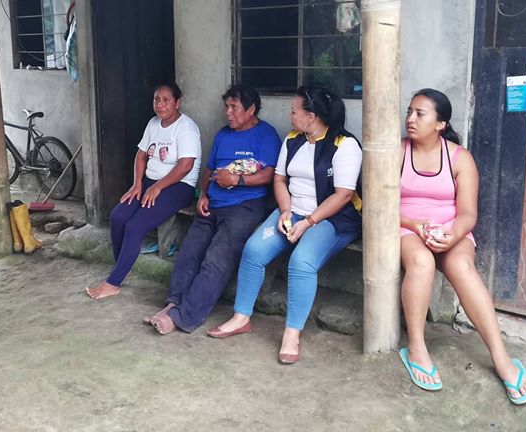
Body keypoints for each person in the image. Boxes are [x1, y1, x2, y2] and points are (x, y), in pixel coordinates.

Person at [398, 88, 526, 404]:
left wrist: (451, 234)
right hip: (405, 227)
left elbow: (468, 213)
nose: (411, 119)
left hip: (451, 230)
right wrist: (415, 225)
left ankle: (501, 358)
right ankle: (417, 347)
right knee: (421, 262)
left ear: (440, 124)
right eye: (409, 112)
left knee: (461, 266)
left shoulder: (460, 158)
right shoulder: (397, 152)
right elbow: (380, 205)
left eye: (420, 114)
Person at [207, 86, 362, 365]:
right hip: (293, 211)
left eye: (294, 111)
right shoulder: (293, 139)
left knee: (301, 262)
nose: (290, 116)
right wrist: (286, 210)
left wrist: (309, 222)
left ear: (311, 116)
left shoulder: (344, 144)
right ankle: (241, 317)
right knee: (254, 250)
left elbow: (343, 195)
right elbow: (279, 179)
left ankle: (292, 334)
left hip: (332, 218)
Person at [146, 85, 280, 335]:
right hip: (213, 205)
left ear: (251, 109)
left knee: (216, 260)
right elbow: (209, 169)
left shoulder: (266, 135)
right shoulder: (223, 135)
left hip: (244, 207)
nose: (228, 113)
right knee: (189, 252)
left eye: (234, 107)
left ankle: (186, 316)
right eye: (226, 107)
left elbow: (270, 174)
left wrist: (238, 180)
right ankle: (173, 303)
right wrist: (204, 194)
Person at [85, 83, 201, 300]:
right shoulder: (153, 123)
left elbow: (186, 166)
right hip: (150, 183)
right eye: (157, 100)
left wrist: (157, 187)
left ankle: (113, 283)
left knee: (135, 226)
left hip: (179, 187)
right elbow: (141, 156)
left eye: (166, 100)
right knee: (118, 217)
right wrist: (137, 184)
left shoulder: (186, 127)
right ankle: (122, 267)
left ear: (178, 102)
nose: (160, 105)